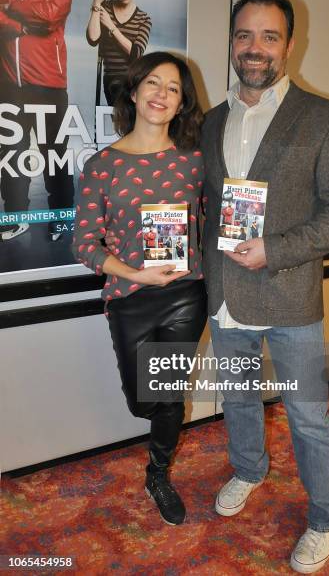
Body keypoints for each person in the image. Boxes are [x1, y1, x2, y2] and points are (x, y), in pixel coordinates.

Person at [201, 0, 329, 573]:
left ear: (290, 45)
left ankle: (327, 514)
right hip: (225, 296)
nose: (255, 48)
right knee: (239, 400)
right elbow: (202, 203)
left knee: (308, 416)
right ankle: (248, 469)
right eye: (244, 35)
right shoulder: (211, 120)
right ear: (232, 42)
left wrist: (275, 249)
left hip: (291, 296)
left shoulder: (325, 118)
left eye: (269, 36)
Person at [72, 51, 207, 526]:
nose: (162, 94)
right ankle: (157, 444)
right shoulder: (102, 164)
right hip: (129, 297)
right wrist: (134, 273)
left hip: (185, 294)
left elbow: (214, 219)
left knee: (168, 394)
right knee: (142, 401)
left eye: (173, 88)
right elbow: (83, 242)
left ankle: (158, 474)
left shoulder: (194, 160)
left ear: (181, 102)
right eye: (153, 83)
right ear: (133, 91)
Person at [0, 0, 74, 241]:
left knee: (55, 156)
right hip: (9, 86)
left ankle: (62, 219)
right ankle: (16, 219)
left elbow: (51, 15)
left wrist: (10, 5)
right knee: (11, 156)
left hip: (49, 86)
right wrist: (20, 24)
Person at [87, 0, 151, 106]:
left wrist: (111, 26)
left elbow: (136, 53)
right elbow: (92, 39)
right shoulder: (105, 8)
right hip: (112, 81)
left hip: (134, 82)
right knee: (124, 124)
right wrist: (97, 1)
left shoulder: (143, 19)